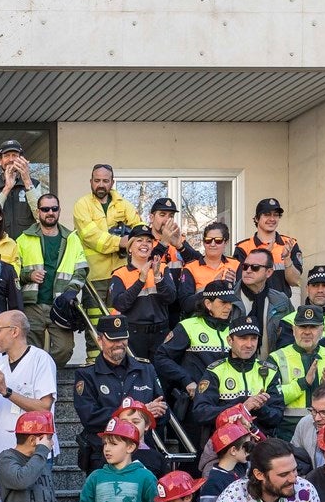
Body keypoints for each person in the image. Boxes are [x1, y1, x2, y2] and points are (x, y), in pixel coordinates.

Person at [110, 226, 193, 363]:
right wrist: (140, 281)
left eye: (148, 241)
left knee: (161, 376)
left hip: (160, 333)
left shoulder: (162, 268)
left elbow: (171, 298)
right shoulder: (119, 274)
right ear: (130, 248)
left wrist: (158, 278)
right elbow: (120, 304)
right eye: (139, 240)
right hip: (134, 335)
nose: (144, 244)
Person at [0, 309, 58, 460]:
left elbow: (44, 408)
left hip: (34, 453)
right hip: (2, 453)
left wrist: (7, 392)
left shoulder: (40, 359)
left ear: (14, 331)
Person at [267, 303, 325, 433]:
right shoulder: (276, 358)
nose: (307, 332)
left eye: (313, 327)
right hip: (289, 431)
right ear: (294, 330)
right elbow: (272, 397)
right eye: (302, 327)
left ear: (322, 330)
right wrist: (303, 383)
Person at [193, 317, 284, 436]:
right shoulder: (215, 370)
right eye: (243, 338)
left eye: (254, 339)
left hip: (261, 446)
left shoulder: (270, 371)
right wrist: (241, 407)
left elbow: (277, 417)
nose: (249, 344)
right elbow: (200, 413)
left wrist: (260, 408)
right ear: (230, 340)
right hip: (225, 445)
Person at [154, 277, 238, 402]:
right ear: (208, 304)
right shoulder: (188, 326)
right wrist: (186, 380)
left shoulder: (234, 329)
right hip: (196, 400)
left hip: (227, 399)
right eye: (223, 302)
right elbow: (161, 358)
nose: (228, 307)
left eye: (230, 303)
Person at [72, 164, 141, 290]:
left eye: (105, 181)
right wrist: (120, 241)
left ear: (112, 182)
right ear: (91, 182)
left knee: (119, 310)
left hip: (122, 272)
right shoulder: (82, 205)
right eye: (97, 180)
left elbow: (140, 230)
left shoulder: (124, 205)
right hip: (95, 275)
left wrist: (131, 237)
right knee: (95, 310)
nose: (101, 185)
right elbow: (91, 236)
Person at [232, 197, 301, 299]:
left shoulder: (290, 244)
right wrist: (263, 256)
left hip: (281, 305)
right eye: (267, 214)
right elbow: (242, 281)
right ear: (256, 218)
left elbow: (294, 281)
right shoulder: (243, 247)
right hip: (252, 302)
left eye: (276, 215)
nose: (272, 219)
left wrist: (286, 258)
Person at [0, 138, 46, 237]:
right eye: (6, 156)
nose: (11, 159)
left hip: (27, 244)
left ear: (22, 159)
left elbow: (40, 215)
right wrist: (6, 189)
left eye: (14, 155)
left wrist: (27, 181)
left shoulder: (34, 184)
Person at [235, 246, 294, 341]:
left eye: (255, 267)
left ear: (269, 272)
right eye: (245, 266)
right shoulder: (229, 299)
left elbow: (290, 335)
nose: (248, 271)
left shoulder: (281, 301)